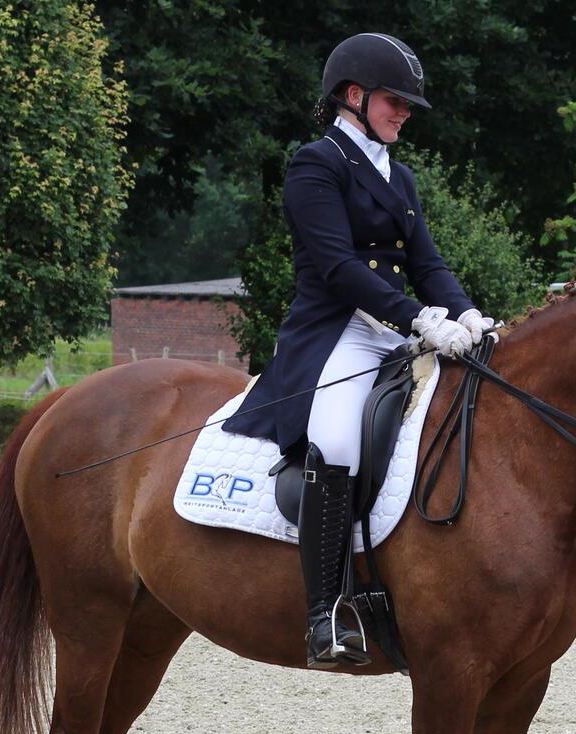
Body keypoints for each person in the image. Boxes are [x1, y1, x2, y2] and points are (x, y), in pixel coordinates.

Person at [221, 32, 494, 669]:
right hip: (334, 332)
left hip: (392, 330)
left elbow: (427, 263)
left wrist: (466, 313)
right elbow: (339, 267)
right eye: (395, 101)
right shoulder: (316, 163)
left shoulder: (400, 176)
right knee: (339, 441)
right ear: (354, 96)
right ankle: (326, 612)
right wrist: (418, 319)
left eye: (406, 104)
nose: (403, 113)